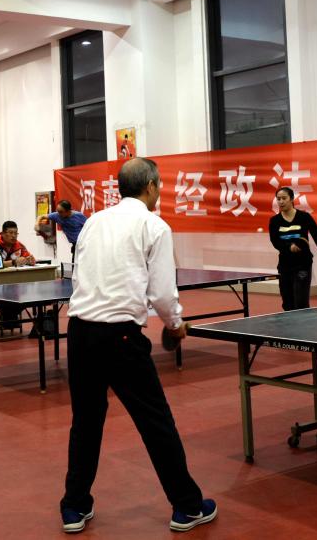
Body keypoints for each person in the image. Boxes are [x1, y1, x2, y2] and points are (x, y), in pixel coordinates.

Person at [60, 158, 216, 534]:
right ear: (149, 186)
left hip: (79, 332)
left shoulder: (94, 221)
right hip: (121, 337)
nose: (159, 190)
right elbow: (161, 292)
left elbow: (79, 273)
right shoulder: (154, 226)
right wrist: (175, 324)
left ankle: (74, 507)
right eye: (159, 184)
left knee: (85, 421)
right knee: (155, 421)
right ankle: (188, 507)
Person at [268, 187, 317, 311]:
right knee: (287, 302)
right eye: (278, 199)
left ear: (292, 199)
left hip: (303, 264)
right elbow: (275, 242)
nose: (281, 201)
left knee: (301, 302)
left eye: (284, 198)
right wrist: (289, 247)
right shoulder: (274, 221)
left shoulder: (304, 217)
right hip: (285, 265)